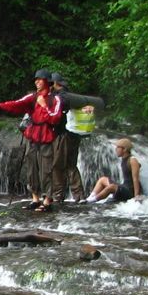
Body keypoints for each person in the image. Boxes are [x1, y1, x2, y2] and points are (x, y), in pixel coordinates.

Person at [0, 69, 63, 212]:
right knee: (31, 168)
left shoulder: (55, 99)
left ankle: (47, 200)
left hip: (46, 137)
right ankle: (35, 198)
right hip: (33, 136)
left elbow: (55, 118)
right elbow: (17, 104)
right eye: (36, 79)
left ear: (47, 82)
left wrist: (44, 106)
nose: (36, 82)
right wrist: (0, 106)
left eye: (39, 79)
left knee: (46, 169)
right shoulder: (33, 97)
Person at [50, 72, 93, 203]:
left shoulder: (59, 97)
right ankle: (79, 195)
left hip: (63, 135)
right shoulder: (72, 97)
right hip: (75, 135)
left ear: (55, 83)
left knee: (58, 165)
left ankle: (58, 195)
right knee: (71, 165)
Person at [86, 138, 144, 203]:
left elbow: (135, 179)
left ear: (124, 149)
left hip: (130, 191)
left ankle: (92, 200)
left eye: (118, 147)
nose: (116, 149)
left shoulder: (132, 160)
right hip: (124, 187)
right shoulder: (124, 158)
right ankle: (89, 198)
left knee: (111, 187)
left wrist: (136, 196)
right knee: (102, 179)